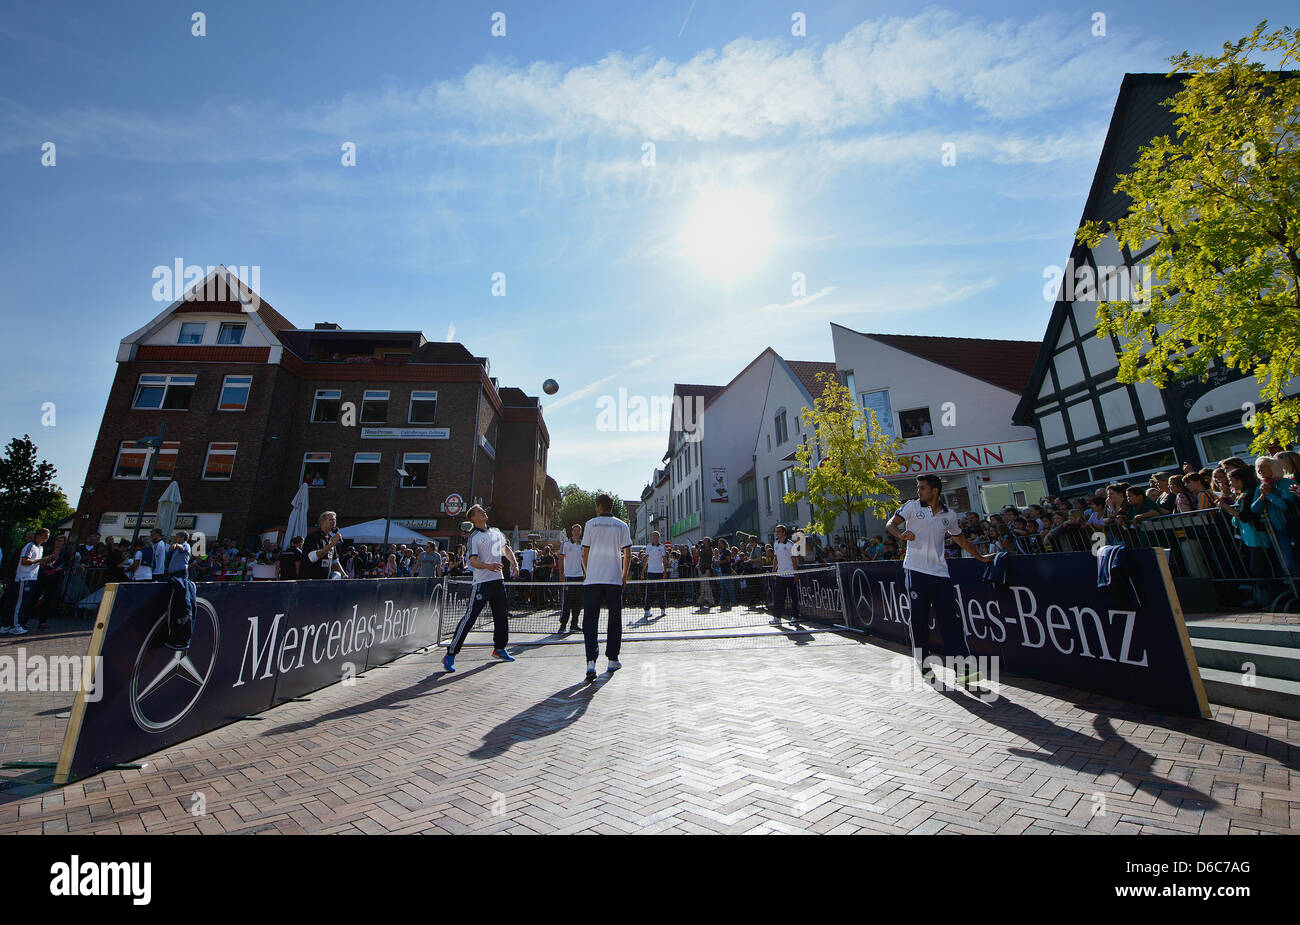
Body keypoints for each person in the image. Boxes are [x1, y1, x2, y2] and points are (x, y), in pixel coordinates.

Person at [885, 475, 993, 685]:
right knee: (919, 621)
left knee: (950, 621)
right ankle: (923, 662)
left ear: (934, 490)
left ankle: (962, 668)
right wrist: (901, 535)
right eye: (918, 488)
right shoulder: (910, 506)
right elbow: (890, 524)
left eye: (922, 488)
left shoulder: (949, 515)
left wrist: (978, 556)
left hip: (940, 573)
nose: (919, 491)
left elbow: (959, 537)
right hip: (915, 571)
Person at [444, 504, 518, 671]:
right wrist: (487, 566)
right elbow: (473, 561)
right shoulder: (474, 537)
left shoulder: (496, 532)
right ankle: (450, 654)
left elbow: (506, 549)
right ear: (473, 518)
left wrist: (514, 563)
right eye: (479, 512)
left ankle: (499, 649)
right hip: (482, 584)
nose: (483, 512)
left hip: (498, 581)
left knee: (501, 616)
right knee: (470, 618)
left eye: (482, 510)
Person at [581, 493, 632, 683]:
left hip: (593, 579)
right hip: (613, 578)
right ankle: (612, 659)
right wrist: (624, 576)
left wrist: (588, 572)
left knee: (590, 620)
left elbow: (584, 554)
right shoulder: (622, 525)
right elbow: (627, 553)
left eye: (596, 506)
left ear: (600, 506)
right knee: (614, 619)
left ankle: (590, 662)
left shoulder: (590, 524)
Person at [3, 528, 50, 635]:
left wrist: (47, 561)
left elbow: (38, 563)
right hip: (23, 578)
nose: (47, 538)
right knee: (19, 603)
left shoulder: (40, 548)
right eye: (45, 535)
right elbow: (24, 561)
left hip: (32, 577)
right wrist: (40, 560)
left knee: (24, 603)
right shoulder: (30, 546)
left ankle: (11, 624)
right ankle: (14, 625)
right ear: (38, 535)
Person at [557, 524, 585, 633]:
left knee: (578, 603)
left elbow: (584, 560)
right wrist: (561, 574)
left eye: (579, 530)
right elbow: (560, 559)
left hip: (579, 577)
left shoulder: (583, 544)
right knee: (567, 602)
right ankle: (563, 625)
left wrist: (586, 573)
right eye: (575, 530)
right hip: (568, 576)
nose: (577, 532)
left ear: (581, 532)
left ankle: (574, 625)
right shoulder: (565, 544)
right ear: (572, 532)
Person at [770, 524, 799, 625]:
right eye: (776, 531)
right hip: (780, 576)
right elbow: (776, 558)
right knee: (778, 598)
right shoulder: (776, 544)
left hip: (791, 575)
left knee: (794, 598)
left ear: (783, 533)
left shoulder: (791, 545)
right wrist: (774, 571)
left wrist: (796, 575)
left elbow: (794, 560)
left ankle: (794, 617)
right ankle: (777, 617)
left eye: (778, 531)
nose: (777, 533)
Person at [302, 511, 342, 580]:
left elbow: (335, 561)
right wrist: (331, 544)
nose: (333, 522)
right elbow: (312, 557)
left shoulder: (330, 538)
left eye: (334, 519)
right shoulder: (314, 536)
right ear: (322, 522)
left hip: (324, 581)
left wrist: (345, 576)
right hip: (310, 581)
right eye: (331, 519)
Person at [641, 530, 667, 619]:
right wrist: (642, 572)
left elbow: (664, 560)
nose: (655, 537)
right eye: (653, 536)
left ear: (659, 537)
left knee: (661, 591)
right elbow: (646, 559)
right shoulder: (648, 546)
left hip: (660, 571)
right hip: (651, 572)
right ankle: (647, 610)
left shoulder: (662, 547)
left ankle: (663, 609)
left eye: (656, 536)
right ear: (652, 537)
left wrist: (665, 571)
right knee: (649, 592)